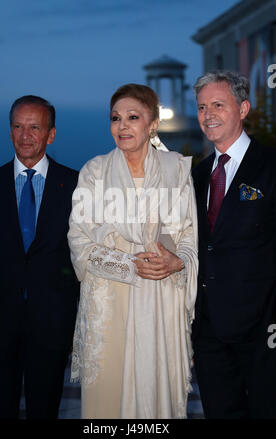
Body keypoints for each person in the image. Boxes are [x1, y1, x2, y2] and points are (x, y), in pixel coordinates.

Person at [68, 83, 198, 419]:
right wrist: (128, 264)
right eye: (115, 118)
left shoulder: (176, 170)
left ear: (153, 123)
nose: (122, 125)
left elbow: (189, 234)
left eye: (133, 117)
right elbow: (80, 239)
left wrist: (177, 260)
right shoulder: (95, 172)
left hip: (162, 300)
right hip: (111, 304)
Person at [0, 95, 80, 419]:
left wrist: (82, 327)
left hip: (52, 325)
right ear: (9, 132)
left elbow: (82, 262)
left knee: (45, 412)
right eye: (18, 126)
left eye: (35, 127)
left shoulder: (77, 187)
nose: (25, 135)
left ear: (50, 134)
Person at [192, 71, 276, 418]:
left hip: (264, 330)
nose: (207, 114)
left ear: (243, 108)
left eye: (217, 105)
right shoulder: (195, 176)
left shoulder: (271, 165)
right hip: (210, 330)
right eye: (200, 107)